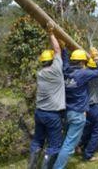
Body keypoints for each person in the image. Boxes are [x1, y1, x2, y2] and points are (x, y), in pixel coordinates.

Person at [53, 47, 98, 169]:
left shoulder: (65, 71)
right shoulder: (83, 73)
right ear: (82, 62)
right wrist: (96, 58)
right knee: (69, 145)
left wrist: (64, 49)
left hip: (67, 112)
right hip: (77, 114)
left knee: (67, 141)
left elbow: (65, 62)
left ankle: (53, 162)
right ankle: (57, 167)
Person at [28, 31, 65, 169]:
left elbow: (55, 52)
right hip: (52, 114)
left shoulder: (40, 73)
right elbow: (57, 50)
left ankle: (31, 166)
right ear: (52, 61)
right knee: (54, 144)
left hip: (39, 113)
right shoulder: (56, 70)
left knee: (38, 140)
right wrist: (51, 33)